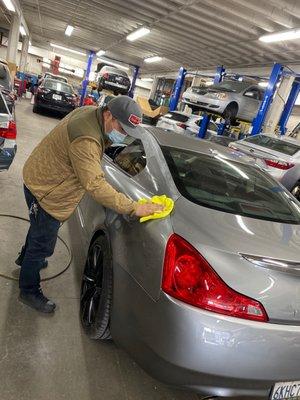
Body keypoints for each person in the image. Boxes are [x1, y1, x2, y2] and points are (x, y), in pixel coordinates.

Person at [16, 96, 163, 313]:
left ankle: (25, 258)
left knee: (38, 228)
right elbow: (95, 185)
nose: (122, 135)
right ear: (109, 115)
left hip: (40, 176)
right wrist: (133, 207)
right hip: (47, 191)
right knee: (42, 244)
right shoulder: (87, 140)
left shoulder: (91, 113)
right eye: (121, 129)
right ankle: (28, 290)